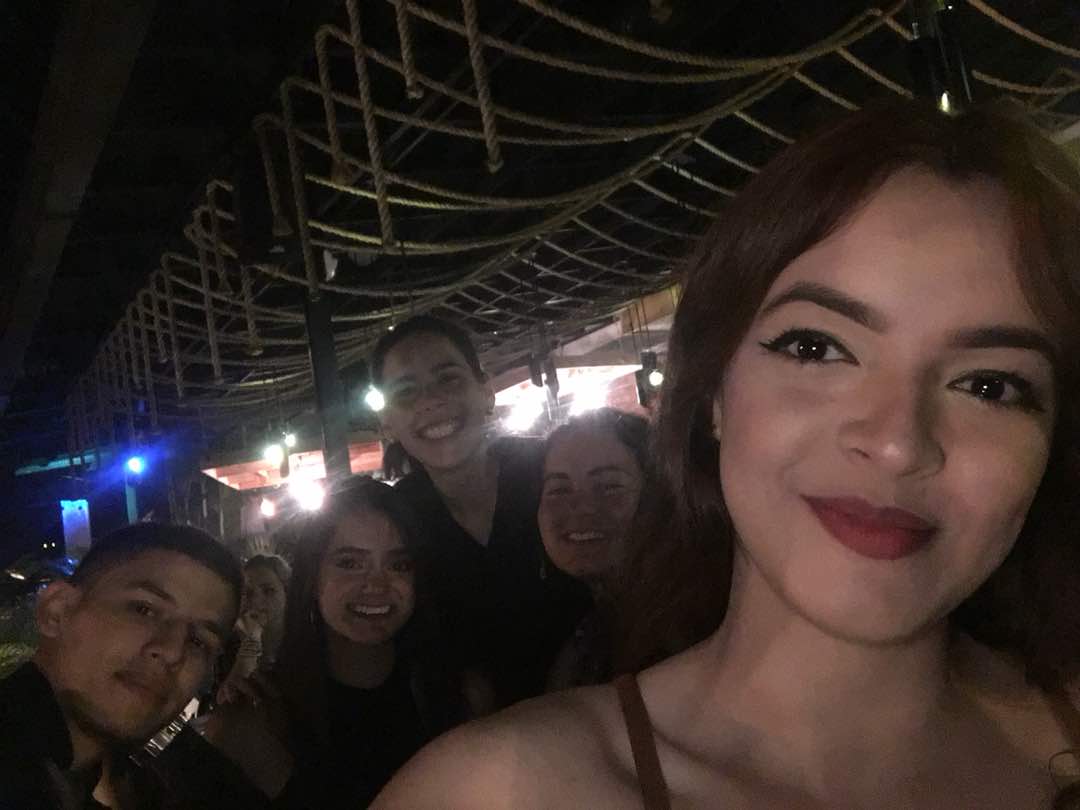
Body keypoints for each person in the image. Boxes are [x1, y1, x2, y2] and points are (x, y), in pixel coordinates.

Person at [372, 101, 1080, 809]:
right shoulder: (499, 794)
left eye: (990, 386)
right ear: (712, 388)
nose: (897, 443)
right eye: (816, 348)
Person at [205, 478, 474, 809]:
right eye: (350, 563)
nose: (376, 584)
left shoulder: (458, 696)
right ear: (312, 577)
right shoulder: (256, 718)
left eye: (398, 565)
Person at [372, 316, 591, 706]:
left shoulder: (549, 471)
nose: (430, 400)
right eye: (406, 391)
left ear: (485, 392)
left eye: (448, 378)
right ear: (387, 422)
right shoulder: (395, 521)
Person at [0, 523, 252, 810]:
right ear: (57, 610)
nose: (172, 651)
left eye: (198, 642)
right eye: (143, 610)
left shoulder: (170, 776)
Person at [538, 408, 650, 690]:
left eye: (609, 486)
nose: (581, 506)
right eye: (559, 489)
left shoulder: (691, 632)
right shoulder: (582, 631)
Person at [216, 554, 291, 704]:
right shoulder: (229, 646)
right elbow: (225, 701)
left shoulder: (306, 643)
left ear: (287, 594)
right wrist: (251, 641)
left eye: (269, 591)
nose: (256, 601)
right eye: (248, 593)